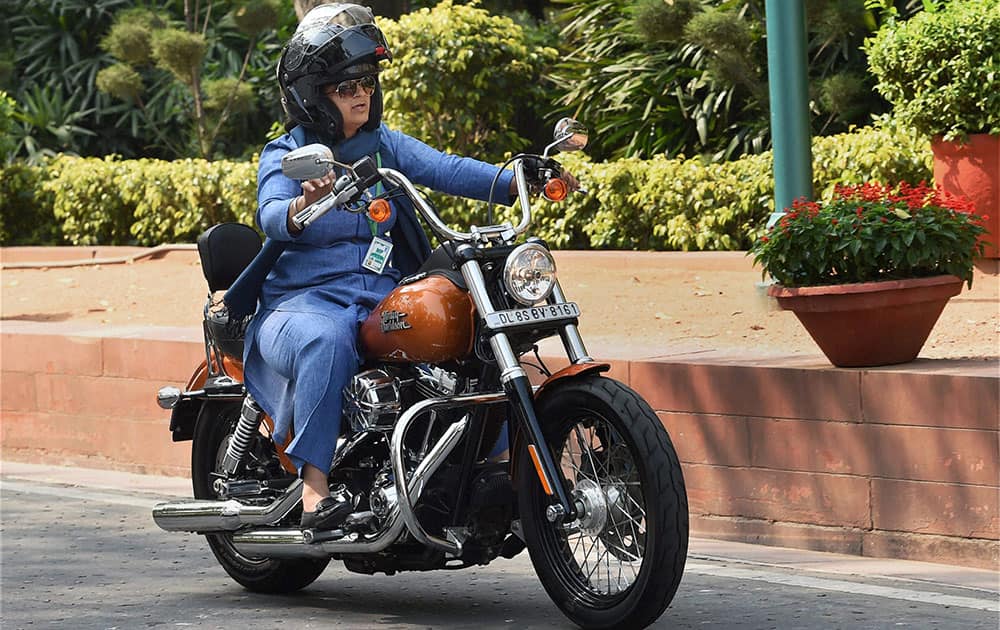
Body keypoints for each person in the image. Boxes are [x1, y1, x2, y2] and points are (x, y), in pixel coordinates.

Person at [244, 3, 574, 532]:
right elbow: (271, 215)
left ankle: (478, 475)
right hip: (301, 307)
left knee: (462, 330)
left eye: (367, 82)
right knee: (325, 340)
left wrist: (520, 179)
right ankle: (314, 490)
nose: (361, 94)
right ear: (312, 93)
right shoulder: (288, 153)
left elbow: (446, 168)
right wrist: (304, 205)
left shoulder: (384, 146)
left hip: (379, 299)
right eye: (345, 85)